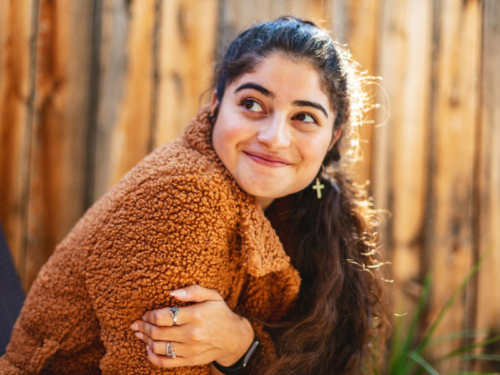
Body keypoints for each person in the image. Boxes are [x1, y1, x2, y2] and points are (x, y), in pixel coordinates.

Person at [0, 16, 388, 375]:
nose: (274, 137)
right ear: (217, 105)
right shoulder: (186, 194)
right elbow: (151, 365)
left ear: (333, 136)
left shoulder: (298, 206)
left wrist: (240, 344)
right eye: (252, 104)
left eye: (304, 117)